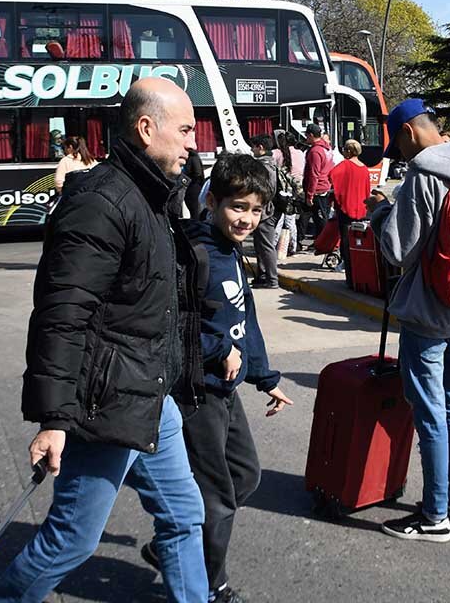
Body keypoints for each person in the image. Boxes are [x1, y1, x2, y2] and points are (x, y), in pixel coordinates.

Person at [0, 78, 208, 603]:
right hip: (102, 405)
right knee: (71, 540)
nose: (193, 142)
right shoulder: (101, 201)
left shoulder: (153, 197)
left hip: (150, 395)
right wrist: (56, 419)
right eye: (184, 130)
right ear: (146, 128)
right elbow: (63, 314)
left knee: (184, 517)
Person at [141, 153, 293, 603]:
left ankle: (175, 545)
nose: (247, 219)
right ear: (212, 202)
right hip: (197, 393)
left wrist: (266, 377)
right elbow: (169, 325)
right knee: (218, 497)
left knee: (245, 477)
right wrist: (217, 348)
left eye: (256, 210)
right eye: (237, 207)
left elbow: (246, 322)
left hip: (227, 393)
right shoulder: (196, 254)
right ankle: (209, 585)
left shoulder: (230, 252)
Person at [366, 99, 450, 542]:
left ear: (408, 133)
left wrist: (380, 210)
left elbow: (398, 249)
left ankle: (434, 515)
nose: (399, 157)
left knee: (429, 410)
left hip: (428, 309)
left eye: (397, 147)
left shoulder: (423, 173)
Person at [329, 139, 371, 284]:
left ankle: (347, 267)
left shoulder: (345, 165)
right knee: (358, 240)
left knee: (346, 240)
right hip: (361, 209)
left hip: (346, 207)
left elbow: (332, 175)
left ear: (348, 151)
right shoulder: (365, 168)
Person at [250, 134, 279, 289]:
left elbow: (269, 190)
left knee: (266, 245)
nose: (251, 149)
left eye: (253, 146)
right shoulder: (267, 163)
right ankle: (262, 276)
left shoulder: (265, 165)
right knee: (259, 244)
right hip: (261, 210)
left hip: (265, 211)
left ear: (260, 147)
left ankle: (272, 279)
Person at [303, 123, 334, 239]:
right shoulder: (327, 149)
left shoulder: (315, 152)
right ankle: (322, 239)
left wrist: (310, 194)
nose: (306, 139)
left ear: (311, 135)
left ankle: (323, 240)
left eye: (306, 136)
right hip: (325, 186)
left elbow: (313, 174)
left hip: (318, 189)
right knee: (323, 216)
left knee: (319, 218)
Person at [184, 148, 205, 220]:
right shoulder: (195, 157)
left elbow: (197, 173)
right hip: (195, 186)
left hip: (193, 186)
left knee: (194, 210)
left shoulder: (193, 158)